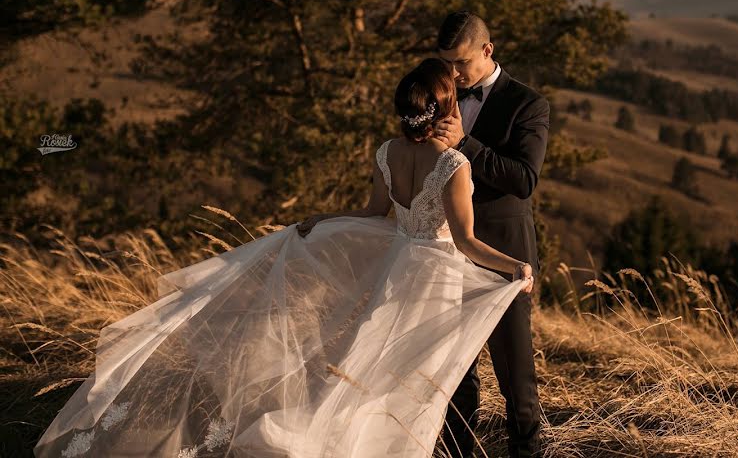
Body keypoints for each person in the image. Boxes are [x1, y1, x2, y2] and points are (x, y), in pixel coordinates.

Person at [33, 57, 534, 458]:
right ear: (445, 107)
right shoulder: (453, 163)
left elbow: (374, 213)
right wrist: (513, 266)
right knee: (416, 386)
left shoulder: (386, 152)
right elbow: (466, 242)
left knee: (374, 370)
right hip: (431, 282)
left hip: (394, 272)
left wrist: (324, 220)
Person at [431, 11, 549, 458]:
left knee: (515, 375)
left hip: (505, 250)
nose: (455, 75)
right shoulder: (444, 96)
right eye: (447, 65)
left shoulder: (528, 104)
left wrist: (466, 144)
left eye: (462, 64)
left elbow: (523, 179)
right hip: (447, 248)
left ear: (487, 50)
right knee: (457, 370)